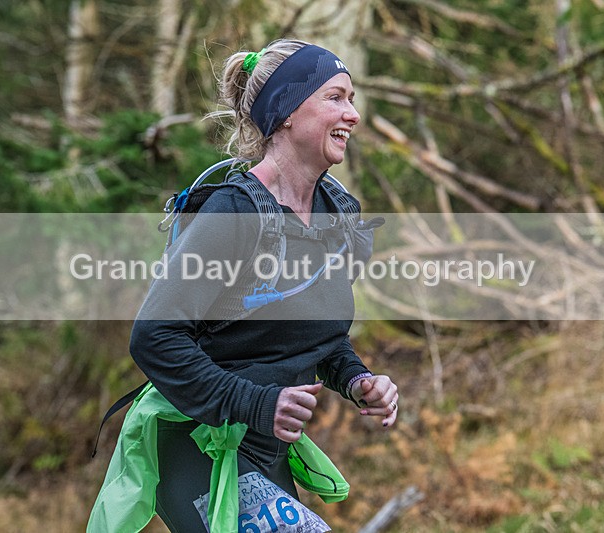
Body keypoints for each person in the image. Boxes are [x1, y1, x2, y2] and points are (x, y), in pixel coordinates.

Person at [108, 39, 399, 532]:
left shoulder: (337, 216)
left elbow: (315, 337)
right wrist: (258, 403)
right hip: (196, 443)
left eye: (352, 100)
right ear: (286, 112)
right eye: (336, 97)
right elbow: (154, 337)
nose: (353, 114)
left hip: (266, 448)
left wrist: (356, 379)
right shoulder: (234, 213)